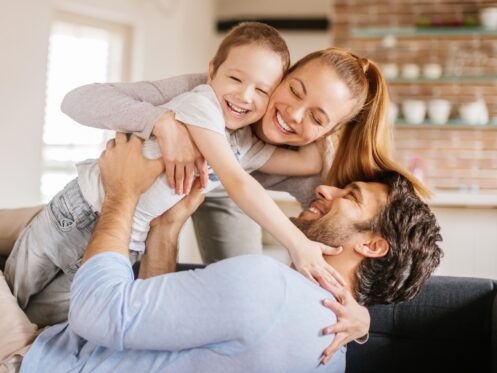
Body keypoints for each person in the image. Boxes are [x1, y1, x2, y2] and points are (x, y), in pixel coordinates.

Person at [6, 22, 350, 324]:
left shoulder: (246, 144)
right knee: (11, 292)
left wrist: (331, 133)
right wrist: (297, 243)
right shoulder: (200, 102)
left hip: (124, 243)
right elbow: (238, 182)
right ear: (212, 71)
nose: (246, 95)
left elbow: (308, 164)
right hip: (78, 213)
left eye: (261, 89)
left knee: (38, 321)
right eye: (234, 78)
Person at [12, 134, 441, 372]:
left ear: (371, 245)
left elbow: (98, 312)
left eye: (350, 195)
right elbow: (151, 328)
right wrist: (168, 227)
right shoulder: (332, 354)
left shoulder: (266, 287)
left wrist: (122, 191)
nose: (325, 189)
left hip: (31, 360)